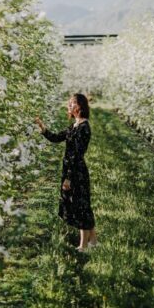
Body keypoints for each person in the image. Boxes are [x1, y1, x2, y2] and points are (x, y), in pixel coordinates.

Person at [35, 93, 98, 252]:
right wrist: (43, 128)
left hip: (76, 171)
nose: (69, 106)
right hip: (70, 169)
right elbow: (56, 138)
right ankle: (94, 242)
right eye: (69, 103)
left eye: (72, 104)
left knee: (81, 206)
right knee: (81, 204)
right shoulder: (75, 125)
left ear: (80, 107)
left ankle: (83, 246)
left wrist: (69, 178)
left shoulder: (84, 128)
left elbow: (77, 155)